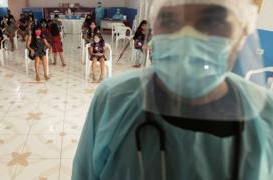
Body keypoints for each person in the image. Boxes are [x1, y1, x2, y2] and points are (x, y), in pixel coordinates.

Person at [73, 0, 273, 180]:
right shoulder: (113, 99)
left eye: (211, 22)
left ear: (242, 33)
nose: (186, 38)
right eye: (169, 22)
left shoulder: (266, 115)